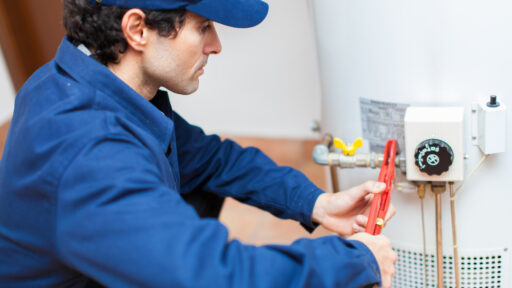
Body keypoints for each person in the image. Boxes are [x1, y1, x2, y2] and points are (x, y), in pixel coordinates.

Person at [0, 0, 397, 287]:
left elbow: (212, 159)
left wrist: (315, 203)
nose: (216, 44)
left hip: (99, 256)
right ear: (137, 30)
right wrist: (355, 261)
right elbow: (212, 275)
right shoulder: (91, 155)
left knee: (201, 182)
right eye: (203, 25)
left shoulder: (81, 79)